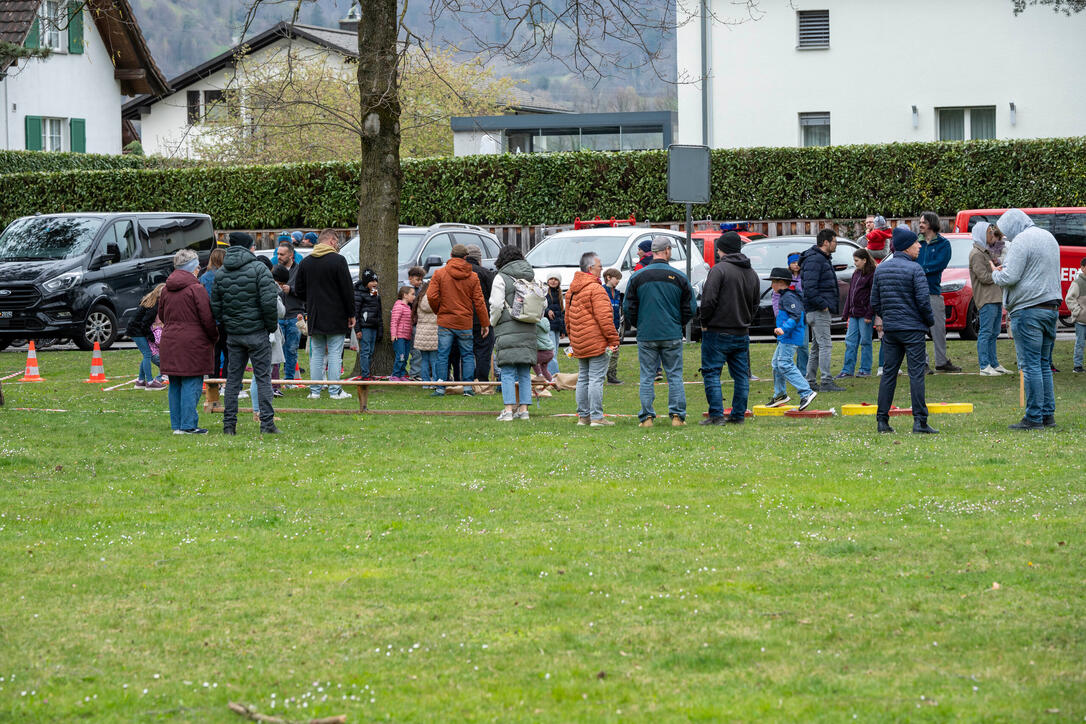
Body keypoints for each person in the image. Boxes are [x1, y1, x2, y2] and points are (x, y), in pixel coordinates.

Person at [992, 209, 1063, 429]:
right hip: (1051, 308)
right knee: (1043, 363)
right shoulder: (1048, 237)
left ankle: (1033, 417)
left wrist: (995, 272)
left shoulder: (1022, 241)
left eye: (1005, 232)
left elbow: (1010, 277)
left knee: (1030, 365)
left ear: (1013, 225)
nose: (1005, 237)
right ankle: (1047, 415)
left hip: (1028, 309)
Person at [210, 231, 282, 435]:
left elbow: (216, 305)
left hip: (234, 334)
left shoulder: (221, 272)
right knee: (263, 378)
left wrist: (228, 323)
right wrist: (269, 327)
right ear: (248, 247)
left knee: (233, 380)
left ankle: (229, 425)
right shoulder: (259, 269)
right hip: (257, 332)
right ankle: (267, 423)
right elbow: (269, 303)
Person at [870, 227, 938, 434]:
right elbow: (923, 302)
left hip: (891, 329)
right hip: (913, 328)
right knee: (916, 374)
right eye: (916, 243)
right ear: (907, 247)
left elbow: (875, 302)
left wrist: (889, 317)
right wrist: (929, 321)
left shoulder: (881, 269)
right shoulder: (915, 269)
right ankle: (920, 422)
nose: (919, 246)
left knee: (889, 374)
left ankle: (882, 421)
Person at [624, 238, 696, 427]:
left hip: (647, 333)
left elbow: (628, 306)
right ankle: (677, 417)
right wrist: (678, 323)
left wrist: (639, 324)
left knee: (647, 376)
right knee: (674, 375)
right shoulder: (678, 276)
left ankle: (647, 417)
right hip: (671, 333)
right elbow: (691, 307)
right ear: (667, 250)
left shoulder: (637, 276)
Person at [697, 231, 760, 425]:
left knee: (712, 372)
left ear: (721, 249)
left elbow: (708, 300)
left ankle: (716, 415)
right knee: (741, 376)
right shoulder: (751, 272)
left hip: (717, 330)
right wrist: (746, 319)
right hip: (741, 331)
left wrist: (704, 321)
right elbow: (755, 303)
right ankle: (738, 415)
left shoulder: (719, 270)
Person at [158, 249, 218, 434]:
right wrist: (214, 336)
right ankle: (188, 425)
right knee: (192, 382)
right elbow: (207, 318)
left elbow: (161, 315)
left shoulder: (166, 289)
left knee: (175, 383)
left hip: (170, 340)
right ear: (193, 268)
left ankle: (177, 425)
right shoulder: (196, 289)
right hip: (193, 342)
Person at [293, 229, 356, 401]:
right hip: (336, 314)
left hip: (315, 314)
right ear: (332, 241)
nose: (337, 245)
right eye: (336, 242)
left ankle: (314, 391)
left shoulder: (306, 262)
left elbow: (298, 290)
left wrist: (312, 300)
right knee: (335, 353)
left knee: (317, 355)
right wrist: (351, 313)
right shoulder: (338, 261)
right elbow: (347, 290)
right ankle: (335, 390)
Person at [426, 244, 490, 397]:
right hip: (465, 321)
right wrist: (485, 323)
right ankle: (467, 388)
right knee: (467, 354)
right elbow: (479, 301)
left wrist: (439, 311)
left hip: (446, 321)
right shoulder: (472, 276)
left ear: (451, 255)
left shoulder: (439, 273)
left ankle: (440, 386)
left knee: (443, 354)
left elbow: (431, 296)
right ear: (466, 257)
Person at [566, 252, 621, 426]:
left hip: (579, 342)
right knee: (596, 379)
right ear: (590, 268)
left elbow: (567, 318)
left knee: (583, 378)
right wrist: (614, 340)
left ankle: (583, 417)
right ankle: (597, 417)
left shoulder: (571, 290)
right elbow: (605, 318)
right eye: (599, 266)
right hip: (597, 342)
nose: (602, 269)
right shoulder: (596, 289)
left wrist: (573, 339)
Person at [488, 246, 539, 421]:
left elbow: (496, 304)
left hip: (507, 328)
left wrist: (493, 322)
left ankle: (508, 410)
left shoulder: (501, 277)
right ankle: (524, 410)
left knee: (508, 370)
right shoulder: (531, 276)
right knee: (524, 371)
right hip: (528, 327)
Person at [765, 267, 818, 411]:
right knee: (776, 363)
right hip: (786, 337)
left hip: (790, 336)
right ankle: (780, 394)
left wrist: (784, 328)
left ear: (781, 282)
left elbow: (797, 315)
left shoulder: (789, 297)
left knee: (784, 363)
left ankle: (806, 392)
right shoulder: (786, 295)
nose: (771, 286)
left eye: (773, 282)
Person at [800, 229, 844, 391]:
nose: (836, 244)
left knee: (817, 347)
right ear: (826, 242)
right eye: (834, 241)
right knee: (825, 345)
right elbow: (809, 288)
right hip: (818, 310)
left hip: (815, 309)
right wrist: (823, 304)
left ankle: (810, 380)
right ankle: (826, 381)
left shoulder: (818, 259)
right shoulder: (816, 260)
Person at [917, 211, 961, 373]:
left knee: (939, 328)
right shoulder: (916, 242)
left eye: (924, 222)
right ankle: (922, 363)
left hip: (933, 291)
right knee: (918, 329)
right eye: (920, 222)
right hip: (916, 292)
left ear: (932, 224)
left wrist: (919, 271)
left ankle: (941, 362)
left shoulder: (943, 244)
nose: (920, 224)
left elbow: (940, 264)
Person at [968, 222, 1010, 376]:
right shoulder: (976, 254)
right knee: (986, 332)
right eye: (989, 233)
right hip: (986, 299)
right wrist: (996, 273)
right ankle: (984, 366)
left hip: (994, 297)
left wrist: (996, 269)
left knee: (994, 331)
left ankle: (994, 363)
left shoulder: (985, 252)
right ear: (981, 234)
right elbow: (984, 277)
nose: (991, 236)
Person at [836, 249, 876, 378]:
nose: (855, 263)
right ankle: (847, 369)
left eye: (857, 261)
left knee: (865, 341)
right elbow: (850, 294)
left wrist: (869, 314)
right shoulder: (856, 273)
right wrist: (846, 312)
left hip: (865, 314)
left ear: (864, 260)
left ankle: (865, 369)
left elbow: (873, 296)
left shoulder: (872, 274)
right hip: (853, 314)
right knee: (850, 341)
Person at [465, 245, 497, 390]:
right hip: (482, 319)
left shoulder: (459, 273)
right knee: (483, 351)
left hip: (463, 319)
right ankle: (482, 381)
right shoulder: (485, 274)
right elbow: (493, 297)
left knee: (466, 352)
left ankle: (467, 380)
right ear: (479, 259)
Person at [275, 242, 304, 382]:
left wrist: (291, 290)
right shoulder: (275, 270)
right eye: (278, 254)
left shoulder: (300, 271)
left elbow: (306, 292)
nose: (278, 257)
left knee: (292, 350)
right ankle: (275, 380)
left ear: (291, 255)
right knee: (277, 350)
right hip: (278, 316)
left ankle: (289, 379)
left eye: (282, 254)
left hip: (294, 315)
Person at [199, 248, 228, 390]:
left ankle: (213, 383)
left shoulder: (203, 278)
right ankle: (226, 383)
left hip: (209, 320)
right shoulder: (226, 276)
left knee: (214, 354)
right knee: (229, 353)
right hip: (225, 319)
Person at [129, 283, 166, 390]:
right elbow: (144, 325)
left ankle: (140, 381)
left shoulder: (151, 301)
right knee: (147, 354)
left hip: (136, 328)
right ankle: (150, 382)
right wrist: (152, 338)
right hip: (136, 330)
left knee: (146, 354)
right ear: (160, 296)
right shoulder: (154, 308)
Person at [354, 268, 383, 380]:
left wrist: (379, 328)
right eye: (372, 281)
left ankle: (368, 373)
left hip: (374, 326)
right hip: (364, 328)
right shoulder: (358, 293)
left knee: (370, 351)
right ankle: (365, 375)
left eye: (376, 281)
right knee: (365, 351)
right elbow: (355, 313)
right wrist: (358, 330)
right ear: (366, 282)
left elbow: (378, 310)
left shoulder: (374, 292)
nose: (375, 283)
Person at [602, 268, 624, 384]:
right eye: (617, 279)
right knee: (604, 353)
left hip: (615, 327)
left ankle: (611, 375)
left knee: (614, 352)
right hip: (604, 328)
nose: (618, 281)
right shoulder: (601, 290)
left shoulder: (617, 293)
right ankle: (601, 375)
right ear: (608, 277)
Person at [389, 286, 415, 381]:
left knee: (406, 356)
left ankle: (402, 374)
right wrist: (393, 334)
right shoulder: (398, 306)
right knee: (401, 356)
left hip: (407, 336)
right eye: (412, 294)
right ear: (405, 295)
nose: (414, 296)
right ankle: (395, 375)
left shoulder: (408, 307)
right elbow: (394, 321)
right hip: (399, 336)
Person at [406, 266, 426, 380]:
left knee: (422, 350)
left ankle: (421, 372)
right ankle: (415, 373)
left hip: (421, 324)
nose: (420, 282)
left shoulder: (422, 289)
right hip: (413, 325)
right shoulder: (408, 291)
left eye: (421, 280)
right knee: (416, 350)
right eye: (417, 279)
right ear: (410, 278)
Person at [1067, 257, 1086, 373]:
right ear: (1082, 268)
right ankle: (1077, 366)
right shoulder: (1077, 283)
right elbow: (1069, 299)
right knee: (1080, 343)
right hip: (1081, 320)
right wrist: (1077, 311)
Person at [544, 273, 565, 377]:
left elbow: (561, 313)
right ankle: (554, 375)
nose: (553, 281)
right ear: (547, 281)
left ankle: (550, 374)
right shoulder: (544, 293)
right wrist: (547, 311)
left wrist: (562, 330)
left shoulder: (559, 294)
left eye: (555, 279)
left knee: (555, 352)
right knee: (551, 352)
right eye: (551, 279)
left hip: (556, 327)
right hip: (548, 327)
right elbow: (540, 307)